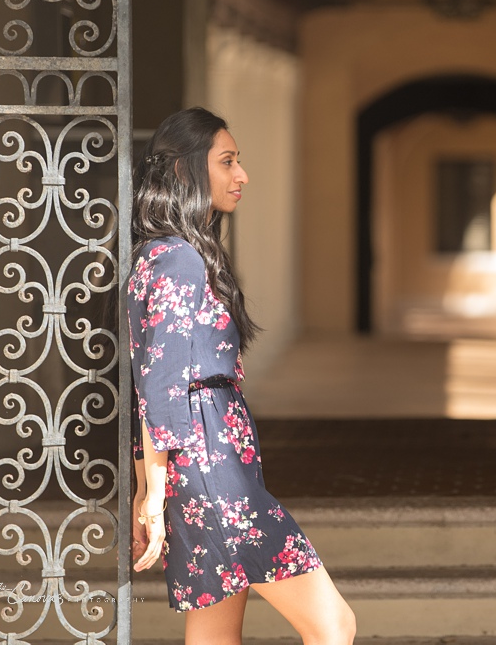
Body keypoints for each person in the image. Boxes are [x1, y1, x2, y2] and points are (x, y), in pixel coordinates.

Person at [129, 107, 355, 645]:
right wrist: (150, 497)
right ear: (184, 171)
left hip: (205, 464)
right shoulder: (178, 259)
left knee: (214, 635)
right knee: (333, 625)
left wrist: (150, 487)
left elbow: (150, 382)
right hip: (211, 467)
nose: (241, 175)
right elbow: (159, 388)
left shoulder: (162, 256)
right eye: (227, 161)